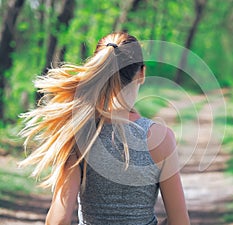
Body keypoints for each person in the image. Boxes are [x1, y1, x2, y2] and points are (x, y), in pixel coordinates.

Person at [19, 32, 190, 225]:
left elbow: (59, 220)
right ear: (142, 73)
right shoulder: (161, 138)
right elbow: (180, 222)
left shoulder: (80, 133)